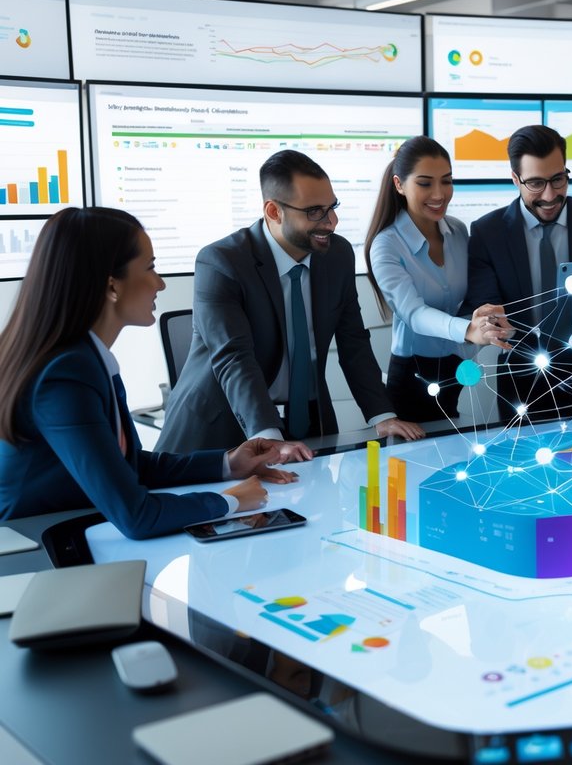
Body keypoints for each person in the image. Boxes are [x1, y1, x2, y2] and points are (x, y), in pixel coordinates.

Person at [0, 207, 310, 539]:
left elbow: (130, 466)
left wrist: (228, 464)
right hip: (38, 550)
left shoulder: (86, 358)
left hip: (73, 530)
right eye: (150, 268)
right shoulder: (64, 375)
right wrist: (227, 502)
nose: (160, 283)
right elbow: (137, 516)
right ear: (111, 286)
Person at [158, 150, 423, 452]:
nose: (331, 222)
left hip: (309, 424)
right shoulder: (222, 261)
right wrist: (269, 438)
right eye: (314, 212)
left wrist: (382, 414)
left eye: (332, 207)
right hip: (222, 432)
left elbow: (354, 342)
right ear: (274, 211)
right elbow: (234, 358)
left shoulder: (336, 255)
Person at [465, 125, 572, 421]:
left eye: (558, 179)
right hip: (520, 382)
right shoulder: (487, 233)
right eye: (536, 183)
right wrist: (492, 322)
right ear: (515, 179)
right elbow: (485, 301)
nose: (551, 195)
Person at [365, 137, 513, 422]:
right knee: (408, 463)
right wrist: (467, 329)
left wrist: (485, 318)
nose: (439, 193)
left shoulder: (457, 232)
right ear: (399, 185)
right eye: (425, 183)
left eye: (446, 181)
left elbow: (470, 298)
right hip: (411, 376)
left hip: (457, 368)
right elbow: (415, 314)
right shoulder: (386, 244)